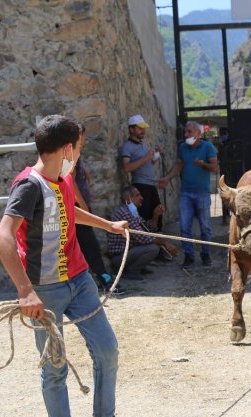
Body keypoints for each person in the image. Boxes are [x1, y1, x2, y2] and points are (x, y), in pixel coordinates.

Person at [0, 115, 127, 417]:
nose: (79, 154)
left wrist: (108, 224)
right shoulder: (29, 186)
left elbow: (71, 212)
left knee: (107, 349)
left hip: (80, 281)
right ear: (67, 148)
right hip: (44, 291)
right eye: (79, 147)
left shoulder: (61, 178)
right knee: (54, 367)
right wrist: (25, 291)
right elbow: (3, 237)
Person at [158, 121, 219, 269]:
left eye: (189, 132)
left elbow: (215, 166)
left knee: (205, 226)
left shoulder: (208, 147)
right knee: (185, 226)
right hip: (186, 192)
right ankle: (189, 255)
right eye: (185, 132)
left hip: (203, 193)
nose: (186, 135)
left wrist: (202, 164)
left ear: (198, 134)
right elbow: (178, 165)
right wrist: (167, 178)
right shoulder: (183, 148)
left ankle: (205, 254)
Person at [72, 129, 126, 295]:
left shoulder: (76, 155)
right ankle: (105, 280)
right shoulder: (70, 155)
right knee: (90, 246)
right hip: (77, 208)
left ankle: (101, 279)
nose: (84, 141)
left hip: (80, 206)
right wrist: (83, 207)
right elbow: (70, 182)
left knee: (87, 246)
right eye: (82, 138)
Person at [106, 186, 178, 277]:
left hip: (129, 251)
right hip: (119, 257)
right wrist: (165, 243)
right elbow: (143, 236)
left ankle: (139, 267)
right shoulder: (126, 213)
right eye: (137, 195)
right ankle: (132, 271)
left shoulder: (132, 212)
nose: (141, 198)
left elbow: (148, 229)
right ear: (129, 199)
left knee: (160, 236)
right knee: (153, 248)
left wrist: (155, 215)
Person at [120, 114, 164, 230]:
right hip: (140, 187)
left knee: (158, 216)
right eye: (140, 128)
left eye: (144, 127)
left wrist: (156, 155)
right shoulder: (127, 147)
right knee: (145, 218)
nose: (143, 130)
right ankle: (149, 246)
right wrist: (145, 158)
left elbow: (149, 163)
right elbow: (126, 168)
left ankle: (159, 246)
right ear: (131, 129)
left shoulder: (142, 144)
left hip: (150, 185)